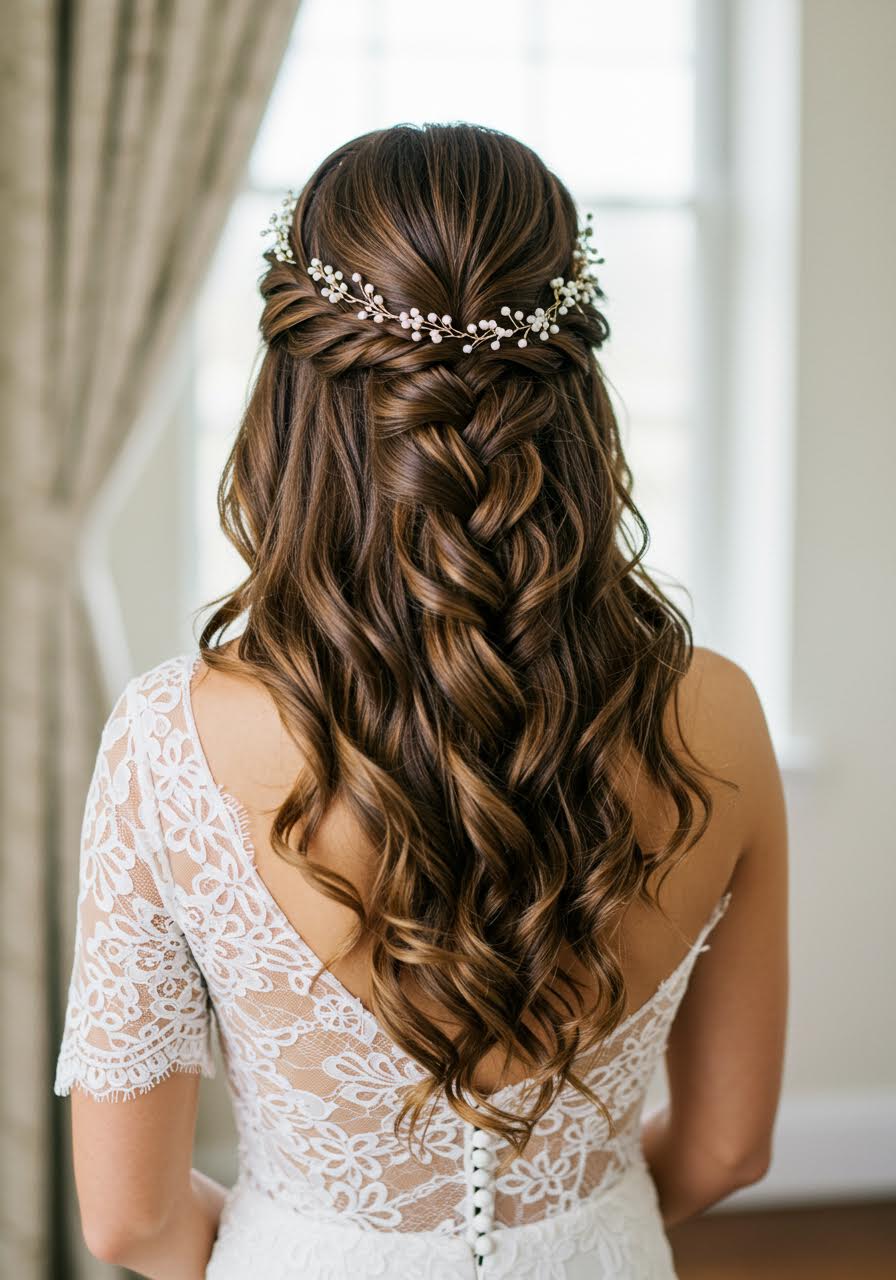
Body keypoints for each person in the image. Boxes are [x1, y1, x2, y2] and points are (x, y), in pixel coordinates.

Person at [55, 123, 788, 1279]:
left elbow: (128, 1219)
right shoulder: (720, 712)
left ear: (293, 397)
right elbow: (726, 1146)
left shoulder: (168, 739)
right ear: (571, 390)